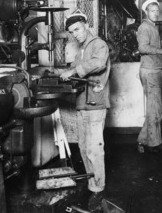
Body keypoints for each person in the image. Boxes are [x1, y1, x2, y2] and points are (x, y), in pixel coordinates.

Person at [54, 12, 110, 211]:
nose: (75, 34)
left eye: (77, 29)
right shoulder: (81, 50)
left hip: (95, 104)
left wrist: (74, 71)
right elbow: (75, 68)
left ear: (86, 24)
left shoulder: (98, 44)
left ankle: (99, 188)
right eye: (71, 32)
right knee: (84, 148)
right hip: (82, 104)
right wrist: (61, 72)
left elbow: (98, 63)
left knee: (95, 149)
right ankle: (91, 184)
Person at [136, 0, 162, 153]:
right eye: (153, 11)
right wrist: (160, 51)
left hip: (155, 69)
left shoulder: (152, 27)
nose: (156, 13)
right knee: (155, 109)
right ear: (147, 12)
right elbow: (143, 48)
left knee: (156, 108)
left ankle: (143, 140)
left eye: (157, 11)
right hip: (150, 71)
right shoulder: (144, 27)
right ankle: (153, 144)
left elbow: (155, 46)